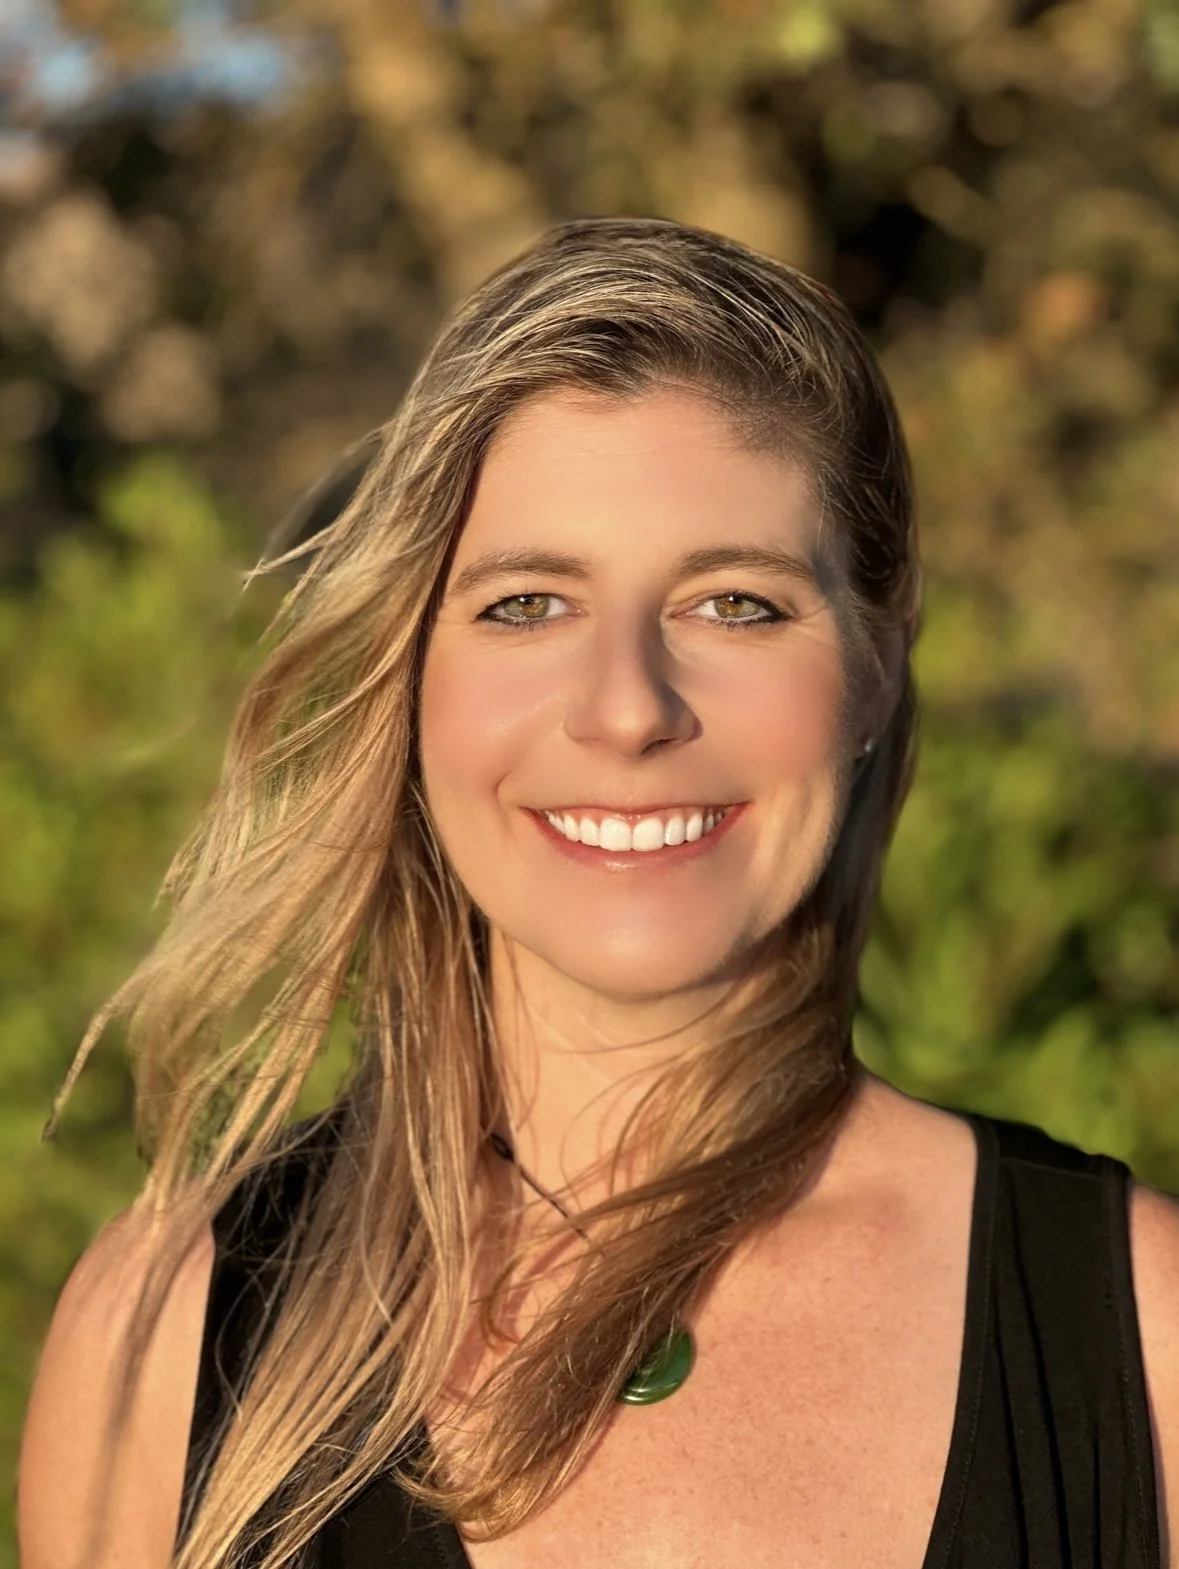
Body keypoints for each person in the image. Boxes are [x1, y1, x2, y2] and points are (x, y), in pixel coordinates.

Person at [17, 216, 1179, 1569]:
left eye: (733, 604)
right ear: (411, 668)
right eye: (527, 604)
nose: (628, 710)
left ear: (873, 660)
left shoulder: (1146, 1334)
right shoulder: (162, 1334)